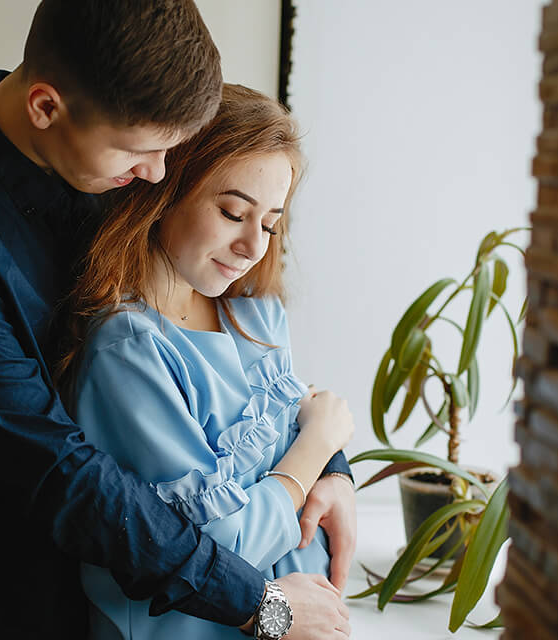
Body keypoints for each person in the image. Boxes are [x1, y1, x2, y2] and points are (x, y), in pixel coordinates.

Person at [0, 1, 355, 638]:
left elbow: (264, 389)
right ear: (44, 106)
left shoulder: (87, 153)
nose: (157, 177)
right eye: (140, 153)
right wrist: (264, 605)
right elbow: (60, 475)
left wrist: (330, 464)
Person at [55, 83, 356, 640]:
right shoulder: (130, 349)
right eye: (232, 212)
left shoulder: (256, 314)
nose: (253, 246)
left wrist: (335, 471)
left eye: (269, 223)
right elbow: (214, 557)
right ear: (165, 190)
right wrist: (319, 447)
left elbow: (300, 419)